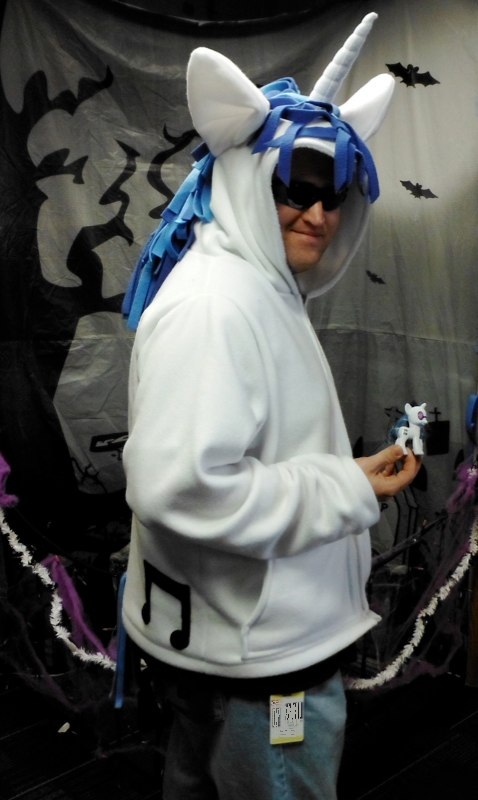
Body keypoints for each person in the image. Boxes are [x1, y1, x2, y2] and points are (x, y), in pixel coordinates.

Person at [120, 14, 421, 800]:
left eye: (335, 192)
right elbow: (182, 487)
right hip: (262, 668)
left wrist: (351, 475)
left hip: (235, 645)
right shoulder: (219, 305)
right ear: (250, 178)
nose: (319, 214)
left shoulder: (255, 288)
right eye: (297, 186)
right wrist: (343, 488)